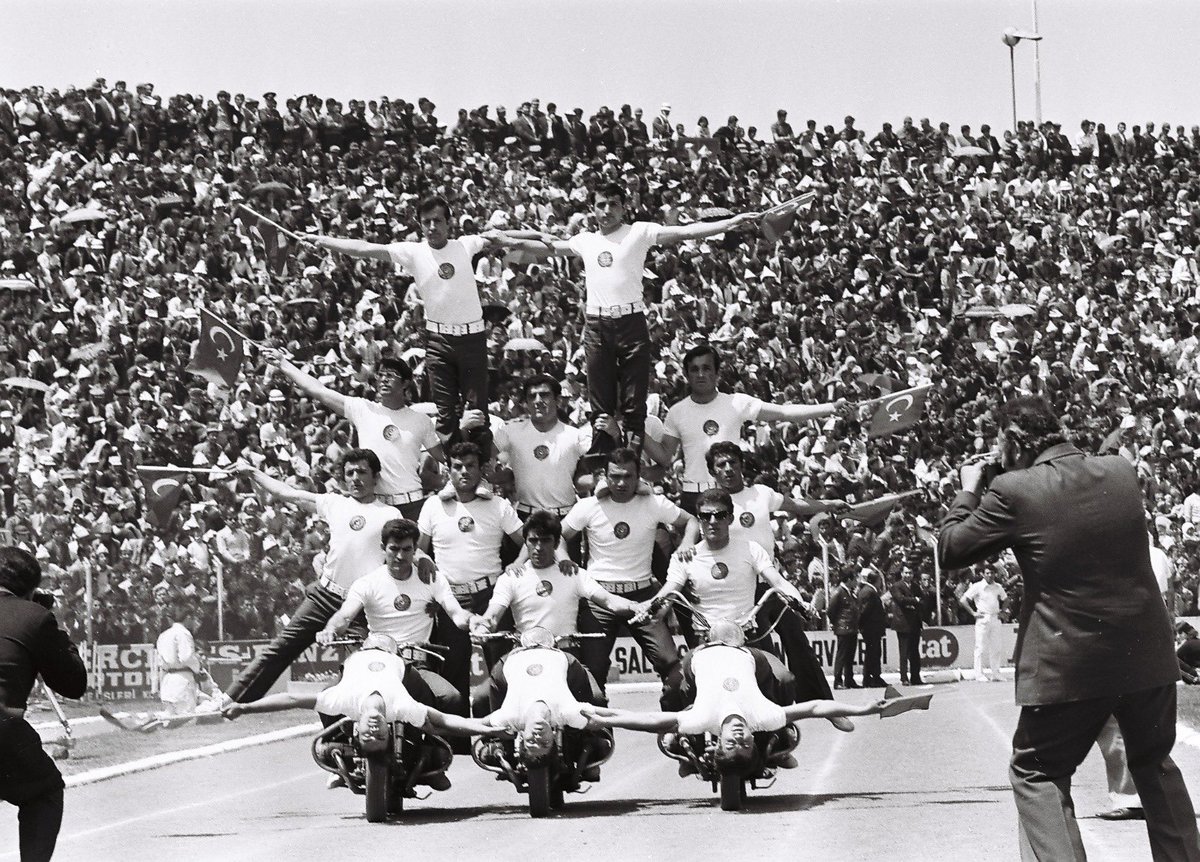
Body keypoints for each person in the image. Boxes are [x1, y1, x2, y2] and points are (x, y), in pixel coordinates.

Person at [939, 395, 1200, 861]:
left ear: (1015, 441)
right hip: (1146, 656)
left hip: (1069, 663)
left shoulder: (1012, 491)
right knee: (1155, 765)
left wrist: (970, 489)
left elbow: (952, 549)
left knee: (1037, 773)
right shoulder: (1121, 471)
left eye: (1000, 444)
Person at [541, 184, 763, 455]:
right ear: (592, 209)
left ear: (624, 207)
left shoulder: (638, 231)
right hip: (598, 325)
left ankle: (632, 461)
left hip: (631, 322)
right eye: (601, 205)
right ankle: (602, 464)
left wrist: (730, 222)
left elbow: (686, 231)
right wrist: (504, 240)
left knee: (635, 403)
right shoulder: (585, 240)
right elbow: (549, 246)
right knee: (600, 402)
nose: (607, 210)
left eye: (613, 204)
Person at [304, 196, 531, 449]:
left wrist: (535, 238)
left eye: (437, 221)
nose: (432, 227)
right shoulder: (413, 252)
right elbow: (364, 248)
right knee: (445, 414)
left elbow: (500, 235)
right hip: (439, 341)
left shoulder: (465, 244)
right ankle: (452, 469)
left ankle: (481, 470)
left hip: (472, 339)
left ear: (448, 223)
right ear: (420, 225)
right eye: (426, 222)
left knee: (476, 409)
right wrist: (322, 240)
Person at [225, 449, 411, 703]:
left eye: (362, 472)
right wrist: (254, 472)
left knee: (366, 663)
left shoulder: (390, 515)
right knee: (281, 648)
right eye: (349, 473)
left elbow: (406, 553)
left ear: (376, 477)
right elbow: (286, 492)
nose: (355, 478)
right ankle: (231, 701)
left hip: (362, 605)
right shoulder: (335, 503)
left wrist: (424, 563)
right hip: (325, 596)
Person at [223, 633, 509, 790]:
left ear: (357, 728)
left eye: (367, 735)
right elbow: (446, 720)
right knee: (438, 702)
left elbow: (291, 698)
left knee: (330, 688)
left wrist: (244, 706)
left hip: (368, 658)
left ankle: (337, 755)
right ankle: (430, 757)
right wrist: (485, 727)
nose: (373, 729)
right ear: (386, 728)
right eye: (378, 734)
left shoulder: (345, 700)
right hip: (403, 668)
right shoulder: (401, 706)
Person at [704, 440, 846, 701]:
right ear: (713, 472)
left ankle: (815, 701)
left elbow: (796, 505)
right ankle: (770, 706)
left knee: (796, 639)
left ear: (742, 465)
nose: (727, 469)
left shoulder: (761, 493)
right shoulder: (712, 504)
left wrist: (829, 504)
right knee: (762, 649)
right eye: (720, 465)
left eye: (732, 463)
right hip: (741, 588)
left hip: (772, 583)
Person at [643, 343, 848, 512]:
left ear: (717, 373)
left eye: (706, 368)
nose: (700, 374)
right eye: (694, 369)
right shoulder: (677, 411)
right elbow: (665, 457)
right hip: (693, 496)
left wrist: (831, 407)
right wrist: (636, 428)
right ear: (687, 374)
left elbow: (785, 413)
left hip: (730, 492)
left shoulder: (737, 403)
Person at [560, 448, 692, 705]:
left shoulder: (653, 503)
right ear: (605, 476)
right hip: (600, 598)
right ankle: (597, 737)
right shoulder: (588, 506)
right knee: (592, 673)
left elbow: (691, 521)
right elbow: (559, 537)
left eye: (628, 476)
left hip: (643, 596)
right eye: (615, 476)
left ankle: (674, 731)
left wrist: (687, 542)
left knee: (673, 669)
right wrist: (564, 556)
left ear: (638, 476)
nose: (621, 483)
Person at [262, 349, 441, 518]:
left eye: (391, 376)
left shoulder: (421, 420)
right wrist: (283, 363)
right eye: (381, 375)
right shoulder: (363, 409)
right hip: (375, 505)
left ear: (405, 383)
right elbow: (319, 390)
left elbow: (444, 456)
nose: (384, 380)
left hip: (412, 504)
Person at [316, 518, 469, 714]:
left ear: (416, 550)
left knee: (451, 698)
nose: (399, 556)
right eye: (394, 549)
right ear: (383, 547)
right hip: (376, 661)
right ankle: (335, 745)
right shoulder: (367, 583)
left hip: (417, 664)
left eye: (406, 549)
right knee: (327, 696)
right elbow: (344, 616)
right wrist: (330, 629)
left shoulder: (432, 579)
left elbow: (457, 613)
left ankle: (437, 746)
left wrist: (473, 622)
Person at [416, 442, 525, 712]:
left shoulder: (498, 505)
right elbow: (417, 547)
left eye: (470, 466)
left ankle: (505, 732)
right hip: (450, 598)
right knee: (452, 669)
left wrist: (517, 564)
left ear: (481, 470)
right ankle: (459, 740)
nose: (464, 472)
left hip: (490, 596)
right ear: (448, 471)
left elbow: (527, 541)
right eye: (457, 466)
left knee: (502, 667)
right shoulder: (432, 506)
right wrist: (422, 557)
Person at [0, 546, 87, 862]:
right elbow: (74, 684)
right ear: (30, 588)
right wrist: (54, 625)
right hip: (3, 728)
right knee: (44, 790)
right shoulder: (34, 616)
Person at [960, 567, 1008, 682]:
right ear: (983, 574)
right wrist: (973, 613)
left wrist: (1003, 611)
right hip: (982, 619)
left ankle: (996, 673)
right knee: (980, 647)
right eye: (987, 573)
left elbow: (1006, 599)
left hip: (995, 617)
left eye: (992, 572)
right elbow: (963, 600)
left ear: (995, 574)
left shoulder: (998, 587)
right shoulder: (977, 586)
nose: (990, 575)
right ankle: (979, 674)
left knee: (996, 647)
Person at [888, 563, 925, 685]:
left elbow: (922, 599)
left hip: (915, 622)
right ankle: (904, 678)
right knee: (904, 652)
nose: (908, 575)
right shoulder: (896, 586)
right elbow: (901, 600)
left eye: (910, 573)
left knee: (914, 652)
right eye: (906, 573)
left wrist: (915, 602)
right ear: (902, 573)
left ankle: (916, 676)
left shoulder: (915, 586)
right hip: (903, 623)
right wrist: (915, 600)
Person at [826, 568, 861, 690]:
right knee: (842, 656)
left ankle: (849, 679)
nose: (856, 581)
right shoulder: (839, 592)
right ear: (849, 579)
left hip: (851, 628)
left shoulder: (850, 592)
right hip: (843, 628)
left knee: (850, 656)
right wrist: (837, 623)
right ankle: (838, 681)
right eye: (855, 579)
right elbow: (830, 610)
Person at [856, 569, 887, 688]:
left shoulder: (867, 591)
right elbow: (864, 611)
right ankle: (871, 678)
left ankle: (873, 677)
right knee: (872, 653)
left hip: (872, 628)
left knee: (874, 653)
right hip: (871, 628)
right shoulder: (870, 592)